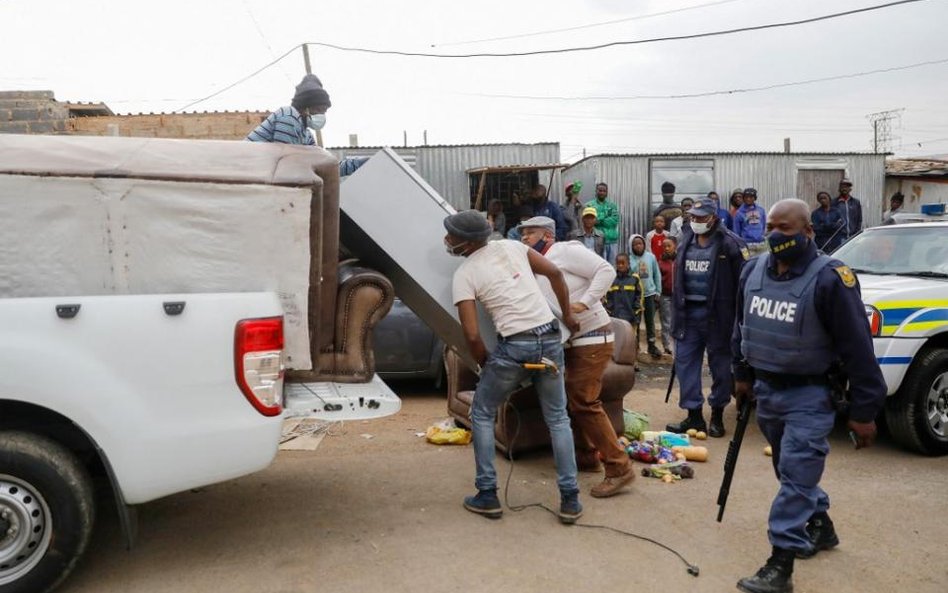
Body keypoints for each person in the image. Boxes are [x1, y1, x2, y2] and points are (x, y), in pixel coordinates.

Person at [731, 199, 886, 593]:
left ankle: (779, 565)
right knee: (788, 469)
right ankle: (822, 526)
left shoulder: (831, 279)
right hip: (768, 392)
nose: (775, 236)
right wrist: (742, 375)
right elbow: (741, 327)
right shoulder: (752, 270)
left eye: (785, 229)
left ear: (808, 232)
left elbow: (857, 349)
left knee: (797, 477)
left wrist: (865, 411)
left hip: (810, 396)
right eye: (771, 227)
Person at [444, 210, 583, 524]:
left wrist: (486, 366)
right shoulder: (513, 247)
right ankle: (570, 499)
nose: (447, 240)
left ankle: (488, 494)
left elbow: (471, 334)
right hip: (549, 338)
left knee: (481, 411)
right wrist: (569, 316)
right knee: (558, 419)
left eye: (451, 235)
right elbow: (556, 275)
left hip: (514, 347)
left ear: (464, 242)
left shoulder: (464, 273)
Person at [518, 216, 636, 498]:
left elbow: (605, 270)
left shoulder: (565, 250)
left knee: (584, 400)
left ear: (547, 235)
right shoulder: (536, 267)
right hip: (572, 342)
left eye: (530, 233)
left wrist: (584, 303)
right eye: (521, 234)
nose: (524, 239)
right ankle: (586, 456)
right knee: (574, 399)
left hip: (593, 337)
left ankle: (619, 467)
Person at [666, 198, 748, 437]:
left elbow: (743, 286)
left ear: (714, 218)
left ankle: (717, 416)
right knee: (685, 366)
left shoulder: (731, 244)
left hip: (718, 318)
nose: (696, 221)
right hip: (687, 316)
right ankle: (694, 417)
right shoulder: (684, 243)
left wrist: (738, 320)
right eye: (693, 217)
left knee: (721, 368)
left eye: (701, 218)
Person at [246, 74, 331, 145]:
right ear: (305, 108)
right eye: (319, 110)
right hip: (247, 162)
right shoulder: (289, 115)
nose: (322, 115)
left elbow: (315, 156)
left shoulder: (306, 134)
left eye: (324, 112)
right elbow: (285, 157)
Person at [628, 234, 662, 359]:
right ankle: (635, 347)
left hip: (649, 294)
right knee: (635, 321)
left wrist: (658, 292)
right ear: (631, 246)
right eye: (635, 244)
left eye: (640, 243)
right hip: (635, 296)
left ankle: (652, 345)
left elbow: (657, 274)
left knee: (650, 321)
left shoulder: (651, 257)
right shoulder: (629, 259)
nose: (638, 246)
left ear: (644, 245)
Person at [605, 253, 644, 329]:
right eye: (618, 263)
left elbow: (640, 296)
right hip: (616, 317)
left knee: (632, 339)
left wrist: (636, 311)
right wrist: (610, 311)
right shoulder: (612, 279)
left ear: (628, 263)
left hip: (631, 317)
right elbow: (608, 296)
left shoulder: (634, 278)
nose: (620, 265)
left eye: (623, 263)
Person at [585, 182, 621, 265]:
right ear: (596, 191)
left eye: (604, 191)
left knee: (612, 267)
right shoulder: (589, 205)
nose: (602, 192)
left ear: (607, 193)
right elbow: (591, 221)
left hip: (612, 241)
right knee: (599, 266)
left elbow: (614, 221)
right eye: (600, 190)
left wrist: (599, 219)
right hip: (597, 240)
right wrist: (605, 216)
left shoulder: (612, 206)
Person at [657, 236, 677, 355]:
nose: (666, 248)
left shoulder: (680, 260)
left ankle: (677, 343)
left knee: (678, 319)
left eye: (669, 246)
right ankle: (667, 345)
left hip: (679, 295)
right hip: (665, 295)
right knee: (666, 321)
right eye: (664, 246)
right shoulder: (660, 262)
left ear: (675, 246)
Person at [734, 187, 767, 256]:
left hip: (761, 244)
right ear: (743, 198)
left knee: (762, 264)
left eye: (751, 197)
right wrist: (741, 245)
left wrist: (761, 236)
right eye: (746, 197)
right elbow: (736, 231)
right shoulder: (739, 213)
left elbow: (763, 225)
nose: (748, 199)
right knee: (746, 264)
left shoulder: (761, 210)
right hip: (746, 245)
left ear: (755, 198)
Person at [832, 178, 863, 244]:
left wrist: (857, 233)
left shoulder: (856, 202)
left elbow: (859, 219)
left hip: (853, 236)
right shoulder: (834, 203)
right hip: (840, 237)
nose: (844, 188)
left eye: (846, 187)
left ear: (850, 189)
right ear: (839, 189)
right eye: (842, 187)